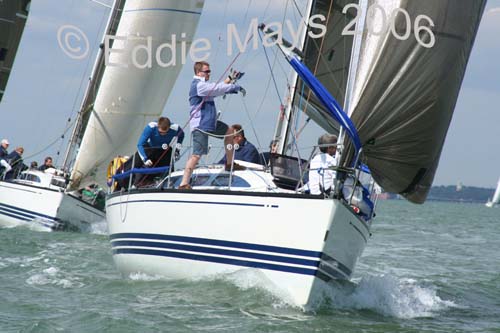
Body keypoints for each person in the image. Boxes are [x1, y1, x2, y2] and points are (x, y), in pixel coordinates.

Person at [178, 61, 246, 189]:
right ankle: (184, 183)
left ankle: (230, 164)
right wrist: (234, 87)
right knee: (197, 155)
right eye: (206, 71)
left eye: (209, 71)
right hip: (201, 125)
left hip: (211, 122)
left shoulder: (204, 85)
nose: (209, 73)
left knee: (230, 133)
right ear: (199, 72)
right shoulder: (198, 85)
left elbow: (217, 87)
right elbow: (216, 89)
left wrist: (230, 79)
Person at [119, 117, 184, 188]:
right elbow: (140, 144)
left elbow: (181, 135)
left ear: (169, 127)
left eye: (165, 132)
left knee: (169, 165)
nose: (162, 134)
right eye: (160, 132)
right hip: (151, 149)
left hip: (164, 149)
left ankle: (167, 184)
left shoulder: (175, 128)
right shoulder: (151, 127)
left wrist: (177, 149)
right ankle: (136, 183)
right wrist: (145, 159)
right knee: (142, 164)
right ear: (158, 127)